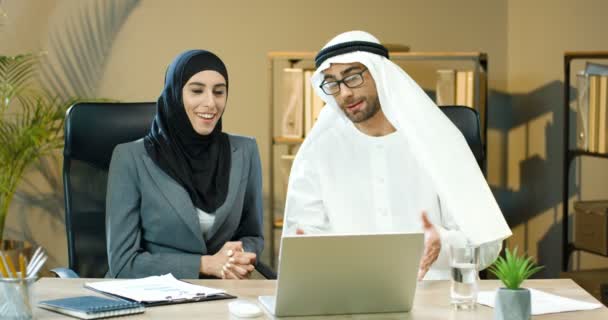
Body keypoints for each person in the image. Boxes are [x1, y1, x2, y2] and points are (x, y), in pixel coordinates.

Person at [282, 31, 512, 280]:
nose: (344, 93)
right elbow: (301, 242)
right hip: (351, 298)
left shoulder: (438, 141)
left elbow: (488, 247)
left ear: (381, 75)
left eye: (353, 77)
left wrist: (444, 242)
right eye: (333, 83)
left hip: (436, 297)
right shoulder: (318, 152)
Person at [106, 50, 262, 279]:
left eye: (219, 92)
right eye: (197, 91)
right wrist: (205, 264)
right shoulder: (129, 158)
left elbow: (253, 236)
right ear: (174, 94)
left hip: (225, 291)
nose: (210, 103)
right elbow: (123, 263)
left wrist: (235, 258)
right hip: (153, 298)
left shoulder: (245, 151)